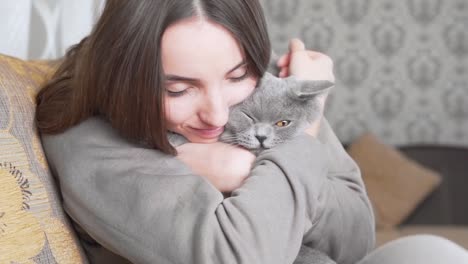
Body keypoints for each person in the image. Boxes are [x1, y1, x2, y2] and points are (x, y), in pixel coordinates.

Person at [35, 0, 468, 263]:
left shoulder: (268, 91)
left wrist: (253, 163)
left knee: (435, 254)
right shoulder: (89, 139)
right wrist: (303, 131)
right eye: (179, 89)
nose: (218, 113)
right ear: (124, 76)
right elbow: (244, 257)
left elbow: (355, 237)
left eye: (236, 75)